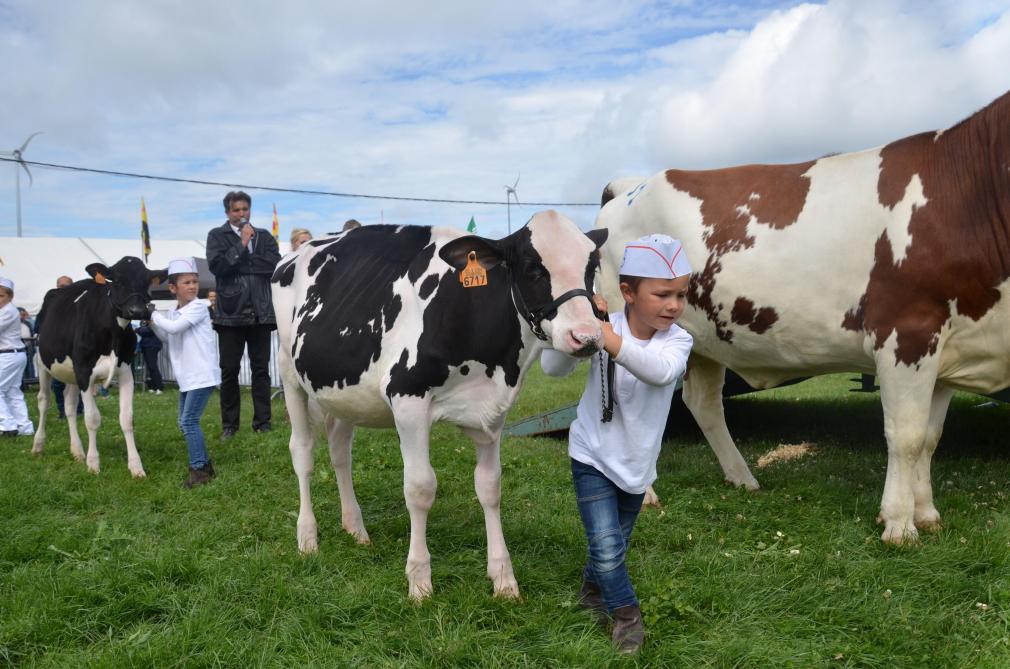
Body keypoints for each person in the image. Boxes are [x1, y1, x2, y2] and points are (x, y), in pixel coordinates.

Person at [540, 234, 694, 654]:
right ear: (628, 292)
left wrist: (609, 338)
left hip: (637, 466)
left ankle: (592, 589)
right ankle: (627, 616)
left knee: (611, 546)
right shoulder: (604, 325)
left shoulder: (677, 341)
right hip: (590, 455)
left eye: (681, 294)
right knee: (609, 549)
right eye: (662, 294)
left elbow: (660, 373)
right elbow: (551, 369)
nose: (674, 305)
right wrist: (582, 324)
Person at [206, 190, 281, 440]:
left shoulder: (265, 236)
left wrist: (241, 261)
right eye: (236, 210)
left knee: (261, 369)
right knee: (229, 370)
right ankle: (230, 425)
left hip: (261, 313)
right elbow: (218, 267)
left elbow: (273, 266)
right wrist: (242, 245)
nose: (241, 214)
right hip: (230, 314)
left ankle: (263, 422)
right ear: (227, 212)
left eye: (245, 209)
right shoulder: (217, 236)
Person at [149, 257, 221, 487]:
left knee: (189, 421)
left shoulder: (200, 306)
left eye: (195, 282)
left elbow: (174, 328)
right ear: (173, 288)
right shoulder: (172, 312)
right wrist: (152, 324)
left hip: (201, 374)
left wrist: (151, 314)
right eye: (187, 282)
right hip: (188, 376)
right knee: (184, 422)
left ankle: (199, 470)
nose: (192, 286)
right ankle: (205, 465)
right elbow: (167, 337)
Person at [0, 277, 35, 438]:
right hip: (13, 354)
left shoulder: (8, 311)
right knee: (13, 391)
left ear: (10, 297)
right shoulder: (7, 310)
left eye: (1, 296)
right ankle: (24, 426)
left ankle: (7, 425)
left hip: (9, 355)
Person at [51, 275, 82, 418]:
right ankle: (62, 410)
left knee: (79, 381)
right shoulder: (51, 302)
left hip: (76, 348)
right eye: (60, 286)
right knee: (57, 384)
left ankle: (80, 409)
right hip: (58, 349)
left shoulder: (80, 301)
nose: (62, 289)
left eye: (66, 286)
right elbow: (41, 323)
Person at [135, 320, 164, 394]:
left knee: (153, 366)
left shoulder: (154, 321)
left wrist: (137, 329)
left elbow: (147, 331)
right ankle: (153, 386)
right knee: (150, 367)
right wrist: (140, 329)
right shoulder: (145, 321)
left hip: (152, 346)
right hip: (146, 346)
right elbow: (143, 330)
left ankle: (159, 387)